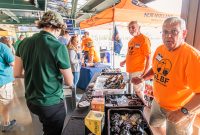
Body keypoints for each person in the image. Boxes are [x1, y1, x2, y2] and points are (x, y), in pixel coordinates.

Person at [132, 17, 200, 135]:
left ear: (184, 33)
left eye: (174, 31)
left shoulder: (193, 57)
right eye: (165, 32)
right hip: (157, 102)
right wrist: (142, 78)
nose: (168, 36)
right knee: (154, 125)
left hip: (179, 108)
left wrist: (182, 112)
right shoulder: (160, 50)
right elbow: (155, 68)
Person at [14, 11, 73, 135]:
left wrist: (36, 73)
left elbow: (17, 73)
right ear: (57, 28)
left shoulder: (23, 43)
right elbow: (70, 81)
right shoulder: (58, 46)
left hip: (31, 101)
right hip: (52, 103)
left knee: (41, 129)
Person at [120, 21, 151, 100]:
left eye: (133, 27)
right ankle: (137, 105)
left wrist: (144, 74)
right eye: (129, 28)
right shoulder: (131, 41)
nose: (131, 29)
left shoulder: (144, 39)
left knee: (138, 91)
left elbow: (149, 58)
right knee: (134, 90)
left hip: (138, 70)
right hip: (130, 70)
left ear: (139, 28)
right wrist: (124, 61)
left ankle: (142, 106)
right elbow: (130, 54)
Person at [0, 41, 16, 132]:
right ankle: (6, 124)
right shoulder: (2, 47)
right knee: (5, 103)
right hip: (3, 80)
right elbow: (12, 63)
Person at [67, 35, 81, 100]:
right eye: (77, 41)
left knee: (74, 84)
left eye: (78, 41)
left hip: (74, 69)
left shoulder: (72, 49)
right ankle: (74, 97)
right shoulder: (71, 50)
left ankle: (73, 96)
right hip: (74, 69)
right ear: (73, 42)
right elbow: (72, 61)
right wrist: (79, 60)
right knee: (74, 84)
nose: (78, 43)